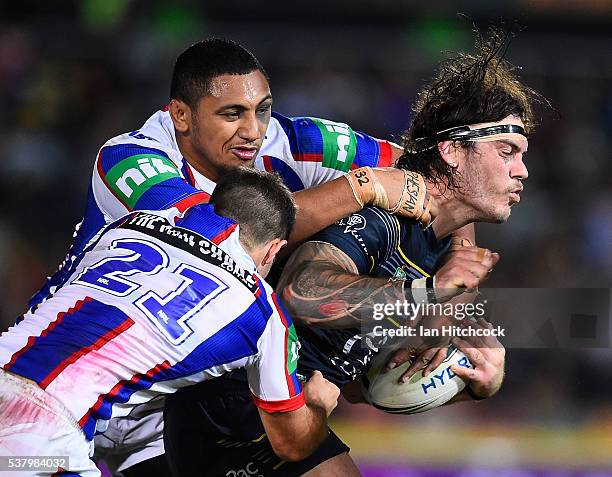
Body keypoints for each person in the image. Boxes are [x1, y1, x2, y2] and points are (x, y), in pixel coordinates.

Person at [24, 38, 447, 476]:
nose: (253, 131)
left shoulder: (292, 141)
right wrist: (358, 188)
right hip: (73, 374)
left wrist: (454, 280)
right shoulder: (129, 159)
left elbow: (433, 175)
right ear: (181, 115)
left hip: (170, 400)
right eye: (232, 114)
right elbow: (221, 236)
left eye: (261, 109)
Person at [163, 29, 543, 476]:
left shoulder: (442, 248)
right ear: (451, 151)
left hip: (276, 409)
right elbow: (301, 293)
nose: (523, 170)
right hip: (230, 401)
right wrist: (428, 294)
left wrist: (474, 379)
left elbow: (368, 387)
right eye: (507, 151)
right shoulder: (384, 218)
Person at [0, 168, 341, 476]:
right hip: (39, 436)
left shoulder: (125, 226)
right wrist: (318, 406)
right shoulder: (263, 314)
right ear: (273, 250)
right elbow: (292, 443)